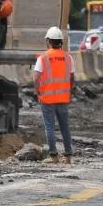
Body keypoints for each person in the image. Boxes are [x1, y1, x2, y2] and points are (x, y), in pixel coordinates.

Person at [33, 26, 74, 164]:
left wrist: (38, 92)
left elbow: (36, 78)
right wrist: (68, 91)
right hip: (63, 98)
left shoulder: (43, 58)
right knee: (65, 127)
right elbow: (71, 77)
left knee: (49, 127)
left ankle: (53, 156)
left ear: (48, 41)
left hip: (47, 98)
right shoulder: (68, 57)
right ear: (61, 41)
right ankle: (68, 156)